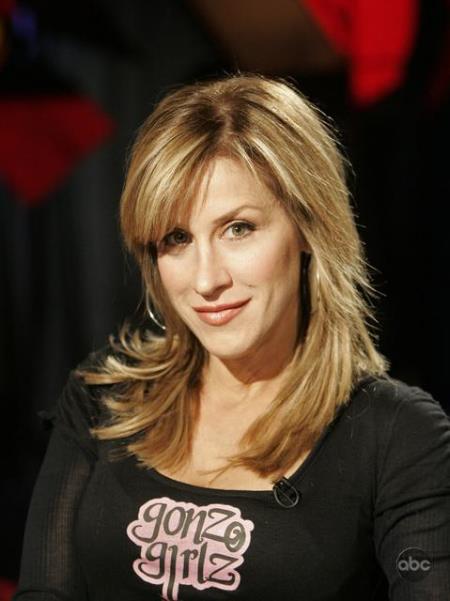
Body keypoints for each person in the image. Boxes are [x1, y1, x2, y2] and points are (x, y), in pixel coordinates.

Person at [14, 73, 450, 601]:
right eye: (177, 238)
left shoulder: (396, 435)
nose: (206, 280)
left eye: (238, 228)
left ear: (308, 227)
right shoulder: (103, 400)